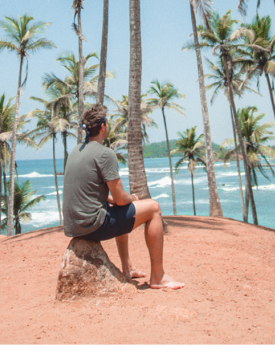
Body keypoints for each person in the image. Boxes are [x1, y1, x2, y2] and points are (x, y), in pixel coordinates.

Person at [61, 103, 184, 290]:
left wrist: (116, 201)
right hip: (93, 226)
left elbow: (90, 192)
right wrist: (133, 198)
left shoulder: (75, 152)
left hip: (73, 226)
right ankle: (158, 277)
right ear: (103, 127)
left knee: (120, 209)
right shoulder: (105, 154)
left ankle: (127, 269)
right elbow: (119, 198)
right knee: (153, 208)